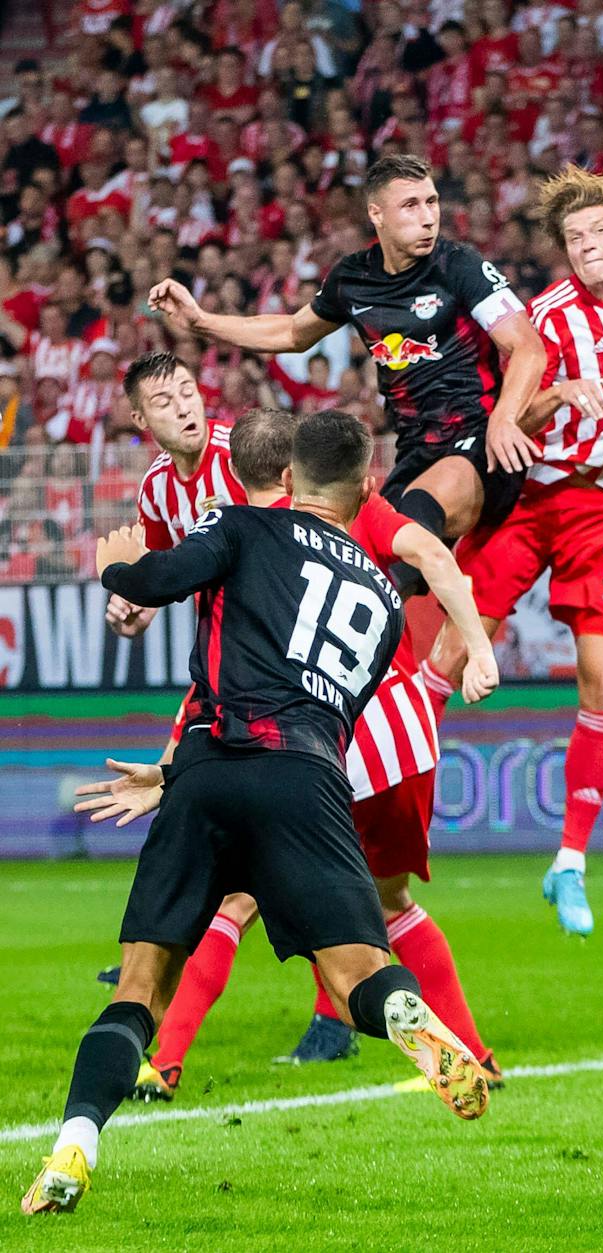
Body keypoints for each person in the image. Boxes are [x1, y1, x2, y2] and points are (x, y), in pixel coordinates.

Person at [23, 411, 488, 1217]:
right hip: (309, 778)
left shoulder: (237, 524)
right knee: (357, 978)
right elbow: (309, 694)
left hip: (210, 769)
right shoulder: (381, 598)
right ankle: (407, 1012)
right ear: (368, 488)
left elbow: (158, 586)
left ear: (283, 482)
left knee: (138, 987)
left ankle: (76, 1142)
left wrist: (119, 569)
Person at [124, 406, 503, 1098]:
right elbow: (436, 557)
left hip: (326, 748)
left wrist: (173, 767)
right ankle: (469, 1051)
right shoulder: (368, 523)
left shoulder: (253, 533)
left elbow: (227, 679)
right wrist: (475, 646)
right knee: (386, 904)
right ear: (367, 479)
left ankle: (165, 1058)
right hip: (404, 735)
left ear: (286, 475)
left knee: (236, 895)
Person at [423, 166, 603, 936]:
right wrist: (555, 395)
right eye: (572, 239)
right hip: (529, 499)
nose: (585, 246)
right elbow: (503, 419)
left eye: (596, 233)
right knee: (450, 656)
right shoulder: (546, 318)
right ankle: (387, 817)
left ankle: (570, 862)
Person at [147, 154, 549, 567]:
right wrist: (201, 322)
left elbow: (528, 348)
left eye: (432, 202)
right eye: (411, 205)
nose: (428, 217)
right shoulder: (354, 278)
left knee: (409, 524)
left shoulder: (460, 265)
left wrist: (504, 419)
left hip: (481, 444)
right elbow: (290, 333)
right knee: (364, 566)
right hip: (414, 452)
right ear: (377, 213)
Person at [107, 351, 246, 640]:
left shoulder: (240, 457)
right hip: (225, 641)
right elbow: (161, 564)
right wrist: (141, 601)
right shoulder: (154, 489)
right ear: (140, 419)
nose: (184, 409)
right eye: (164, 402)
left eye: (188, 393)